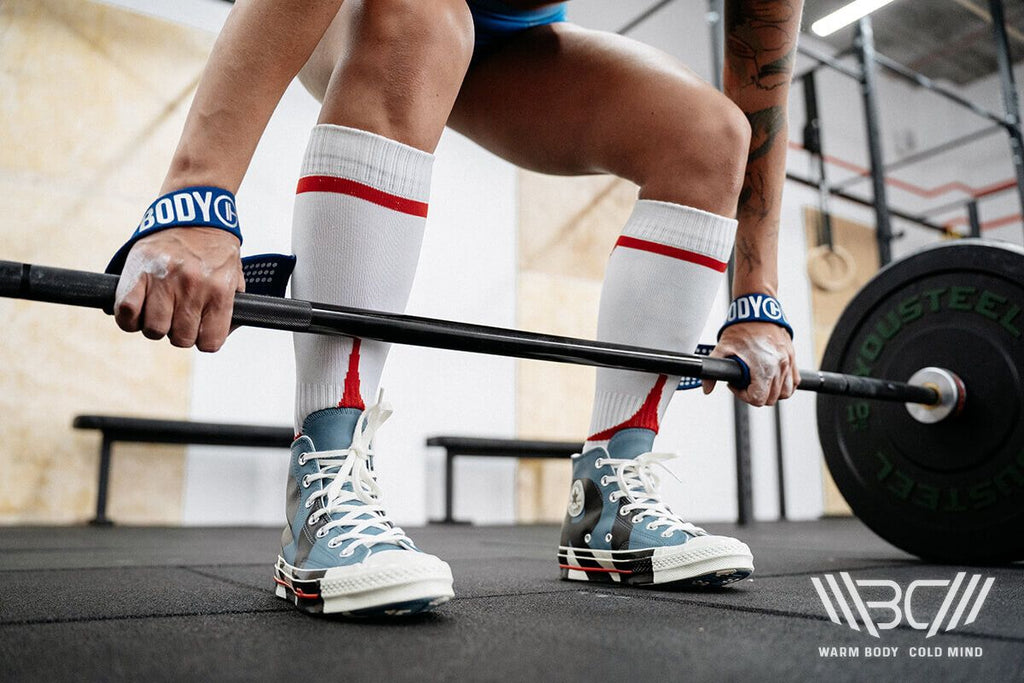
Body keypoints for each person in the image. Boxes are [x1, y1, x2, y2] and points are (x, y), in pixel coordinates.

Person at [108, 0, 803, 616]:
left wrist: (756, 294)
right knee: (423, 19)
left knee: (714, 133)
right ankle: (325, 479)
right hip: (362, 13)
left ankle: (607, 499)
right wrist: (197, 194)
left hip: (512, 44)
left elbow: (760, 82)